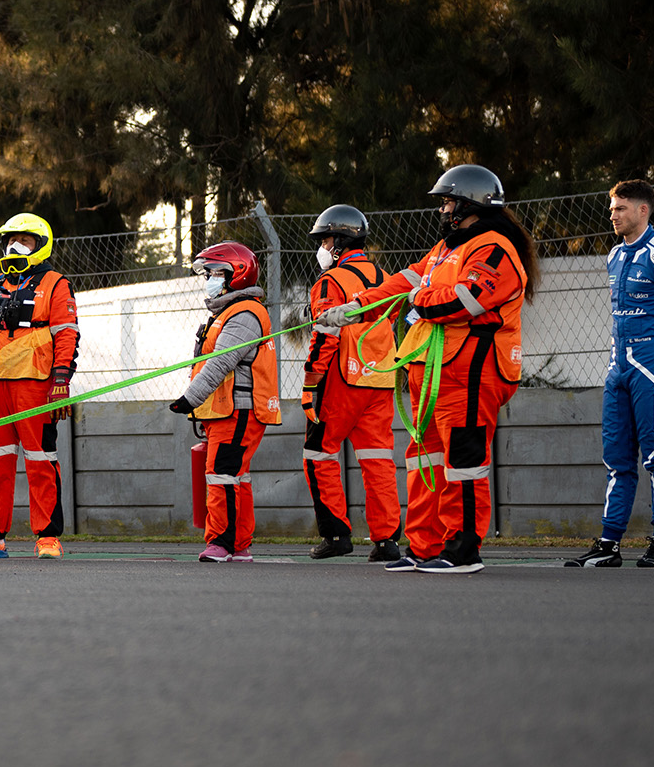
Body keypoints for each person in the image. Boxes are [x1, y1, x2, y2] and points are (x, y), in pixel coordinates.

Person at [318, 164, 534, 575]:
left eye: (449, 201)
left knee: (462, 461)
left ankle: (463, 549)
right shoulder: (446, 249)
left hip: (473, 370)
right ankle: (423, 546)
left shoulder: (494, 248)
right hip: (436, 371)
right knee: (424, 458)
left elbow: (466, 300)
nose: (443, 209)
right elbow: (403, 283)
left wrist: (421, 298)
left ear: (471, 203)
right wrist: (354, 308)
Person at [566, 180, 654, 569]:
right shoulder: (613, 256)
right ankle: (609, 544)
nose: (612, 214)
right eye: (612, 208)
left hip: (653, 367)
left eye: (620, 208)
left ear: (643, 210)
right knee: (617, 459)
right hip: (618, 369)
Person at [0, 213, 80, 560]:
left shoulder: (56, 283)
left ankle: (48, 538)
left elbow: (66, 335)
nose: (14, 245)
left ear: (41, 245)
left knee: (41, 461)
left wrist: (62, 380)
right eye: (10, 239)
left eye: (24, 239)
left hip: (35, 385)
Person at [301, 205, 403, 562]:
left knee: (318, 454)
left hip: (341, 377)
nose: (323, 246)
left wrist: (311, 382)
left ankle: (336, 534)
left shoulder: (331, 282)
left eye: (326, 239)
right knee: (378, 459)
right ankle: (387, 540)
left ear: (340, 241)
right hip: (381, 378)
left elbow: (324, 334)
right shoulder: (385, 276)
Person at [169, 242, 280, 564]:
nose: (210, 280)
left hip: (239, 409)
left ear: (237, 275)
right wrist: (201, 409)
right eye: (209, 274)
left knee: (221, 474)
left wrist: (190, 400)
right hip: (226, 410)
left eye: (217, 273)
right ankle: (239, 544)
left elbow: (221, 363)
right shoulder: (227, 313)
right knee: (236, 477)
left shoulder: (245, 314)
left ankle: (221, 542)